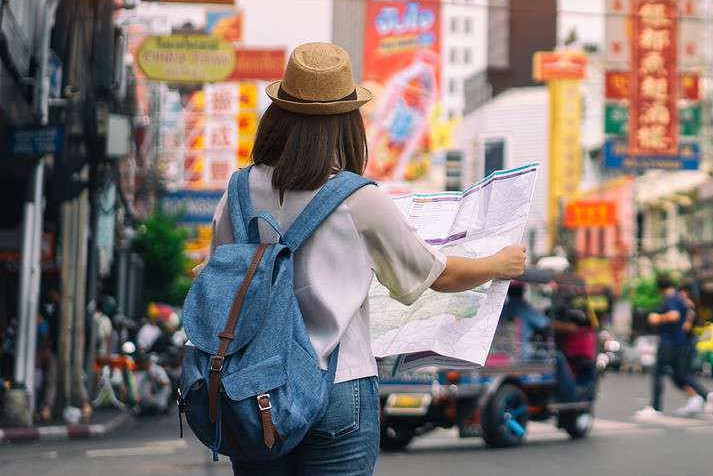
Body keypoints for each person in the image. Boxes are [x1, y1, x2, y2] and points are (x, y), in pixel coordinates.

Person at [207, 42, 526, 475]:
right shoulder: (358, 199)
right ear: (347, 124)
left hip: (252, 389)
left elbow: (218, 282)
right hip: (338, 386)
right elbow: (438, 274)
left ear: (278, 116)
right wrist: (498, 263)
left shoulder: (237, 192)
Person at [636, 275, 713, 418]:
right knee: (680, 375)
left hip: (669, 342)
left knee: (657, 372)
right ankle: (703, 395)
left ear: (660, 288)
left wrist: (658, 318)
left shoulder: (671, 298)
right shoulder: (681, 300)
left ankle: (655, 407)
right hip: (680, 343)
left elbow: (674, 315)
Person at [500, 282, 579, 402]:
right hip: (522, 355)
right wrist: (570, 327)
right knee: (558, 357)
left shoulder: (502, 308)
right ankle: (570, 394)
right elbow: (547, 324)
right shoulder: (523, 308)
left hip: (503, 354)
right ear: (522, 292)